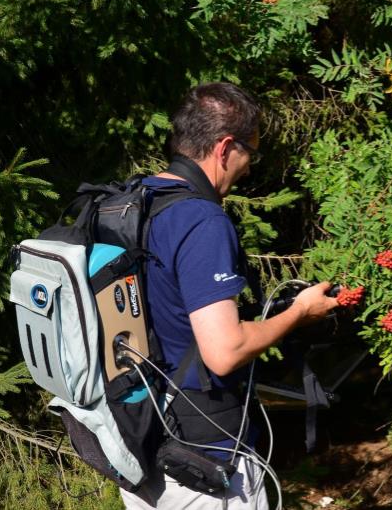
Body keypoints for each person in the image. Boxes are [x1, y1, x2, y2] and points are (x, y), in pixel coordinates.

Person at [119, 82, 338, 509]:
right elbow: (225, 350)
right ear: (224, 148)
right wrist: (300, 312)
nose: (249, 168)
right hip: (203, 462)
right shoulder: (201, 221)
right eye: (249, 153)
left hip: (141, 439)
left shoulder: (136, 201)